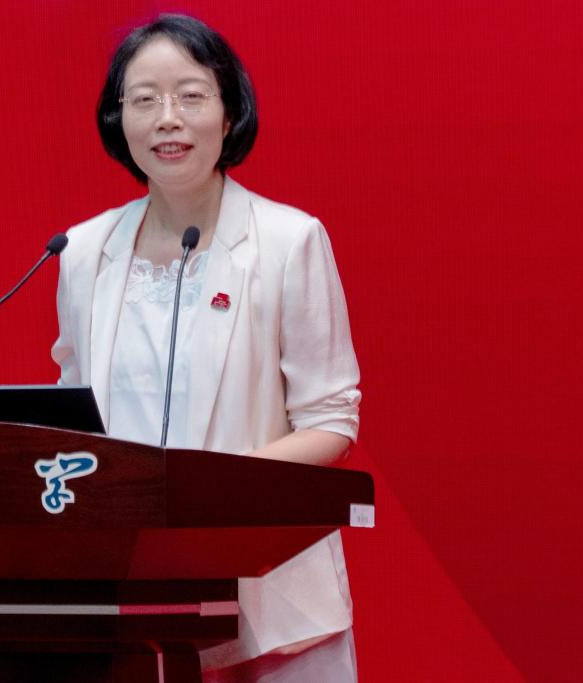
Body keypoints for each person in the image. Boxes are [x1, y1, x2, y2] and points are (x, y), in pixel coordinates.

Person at [52, 14, 362, 682]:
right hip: (130, 604)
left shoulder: (289, 241)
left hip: (271, 604)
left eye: (190, 96)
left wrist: (210, 491)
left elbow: (332, 420)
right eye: (144, 100)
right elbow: (75, 420)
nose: (168, 119)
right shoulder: (82, 252)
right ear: (118, 119)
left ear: (229, 113)